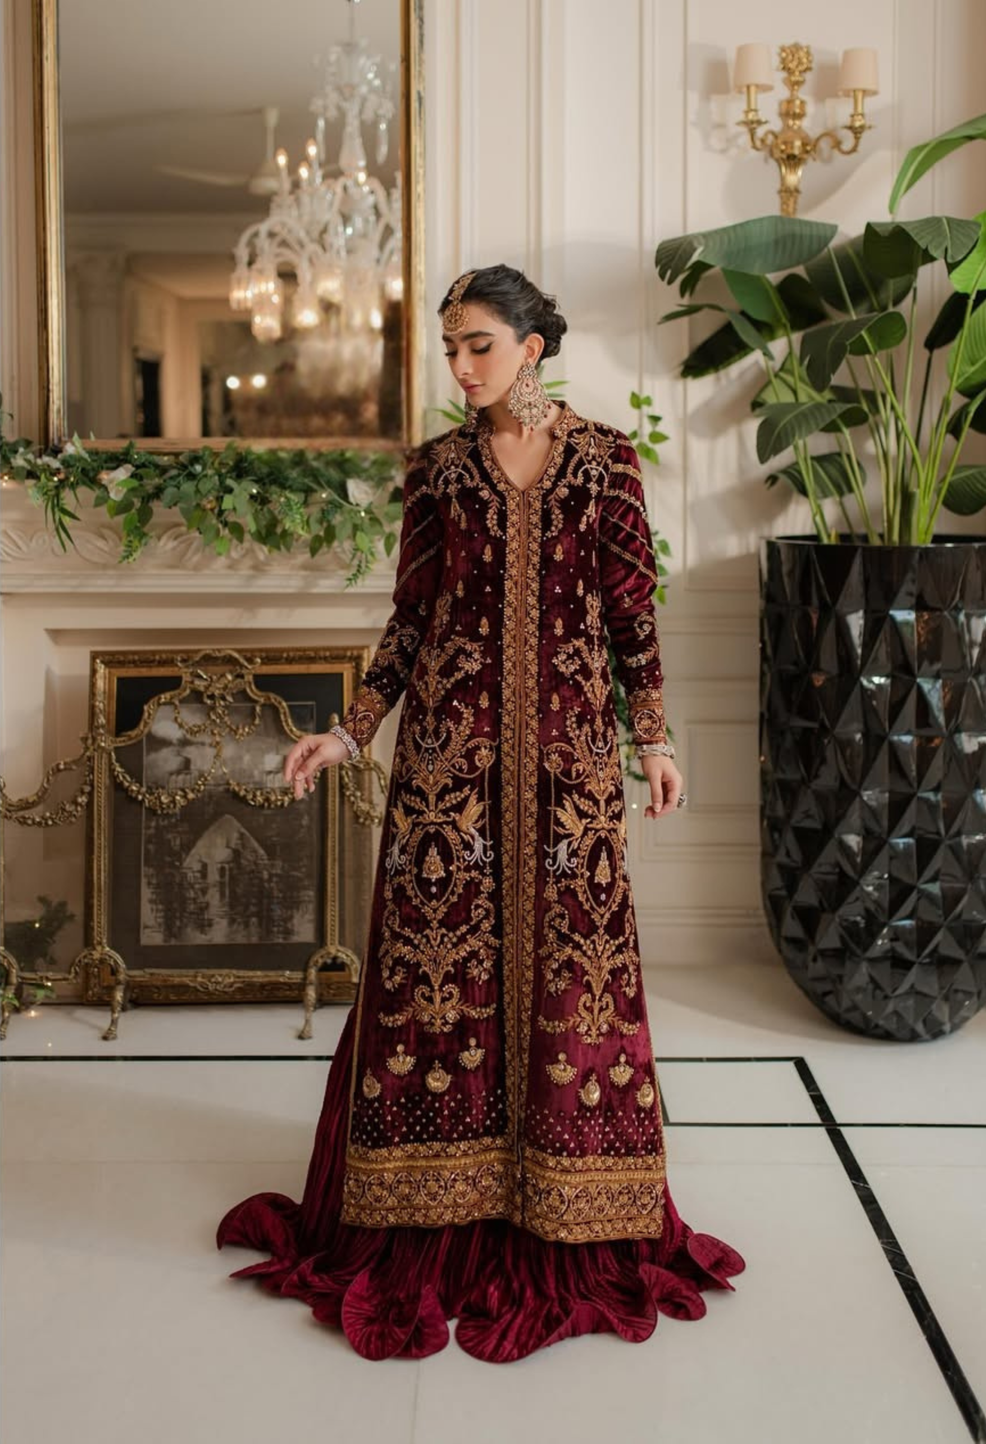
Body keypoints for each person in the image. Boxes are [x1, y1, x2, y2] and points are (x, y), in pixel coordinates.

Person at [216, 265, 746, 1362]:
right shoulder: (437, 470)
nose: (460, 367)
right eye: (450, 348)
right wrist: (349, 732)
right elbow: (409, 621)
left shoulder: (606, 462)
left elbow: (632, 614)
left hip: (568, 767)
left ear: (532, 346)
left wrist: (653, 740)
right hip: (446, 769)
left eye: (479, 346)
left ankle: (569, 1208)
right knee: (432, 974)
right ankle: (428, 1211)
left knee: (574, 973)